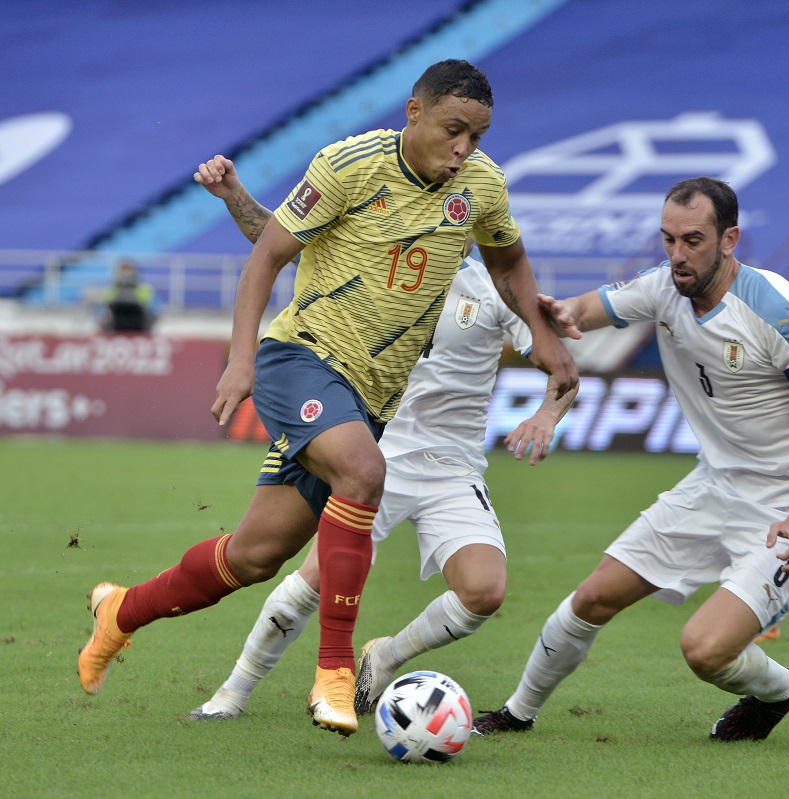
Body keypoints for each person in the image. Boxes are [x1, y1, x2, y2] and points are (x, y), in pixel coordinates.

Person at [77, 59, 579, 738]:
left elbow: (508, 259)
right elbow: (269, 254)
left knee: (254, 556)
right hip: (300, 357)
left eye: (477, 138)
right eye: (453, 130)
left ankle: (121, 611)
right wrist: (241, 361)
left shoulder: (480, 188)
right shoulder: (350, 164)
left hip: (368, 396)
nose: (463, 149)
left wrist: (545, 341)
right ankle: (336, 670)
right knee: (365, 471)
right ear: (414, 112)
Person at [185, 155, 577, 721]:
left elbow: (562, 368)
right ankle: (234, 691)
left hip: (453, 466)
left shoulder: (496, 291)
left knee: (484, 593)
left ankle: (386, 656)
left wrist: (547, 412)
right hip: (374, 451)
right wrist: (234, 196)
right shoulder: (383, 257)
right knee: (311, 582)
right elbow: (286, 240)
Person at [472, 177, 789, 742]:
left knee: (704, 650)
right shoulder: (663, 287)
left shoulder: (775, 312)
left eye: (693, 240)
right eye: (668, 239)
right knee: (593, 596)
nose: (677, 255)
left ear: (730, 240)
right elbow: (583, 311)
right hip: (714, 486)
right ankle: (517, 713)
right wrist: (556, 316)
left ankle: (783, 688)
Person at [98, 260, 157, 333]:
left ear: (135, 271)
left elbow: (154, 309)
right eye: (123, 270)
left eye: (128, 269)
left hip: (141, 326)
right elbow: (103, 308)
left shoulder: (145, 289)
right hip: (115, 326)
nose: (126, 273)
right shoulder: (110, 289)